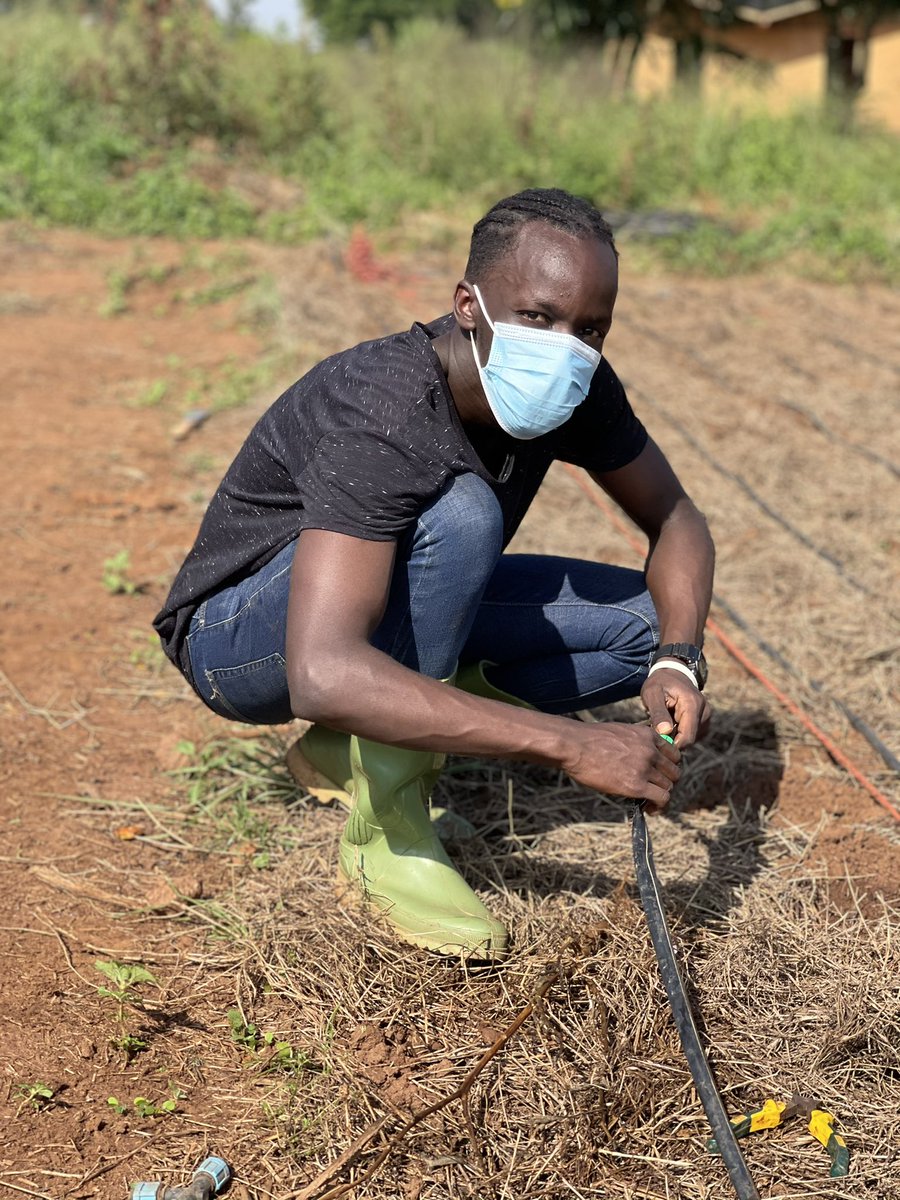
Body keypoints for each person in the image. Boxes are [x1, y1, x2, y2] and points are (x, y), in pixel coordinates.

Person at [154, 188, 714, 961]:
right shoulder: (384, 408)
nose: (566, 348)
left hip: (361, 608)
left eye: (590, 328)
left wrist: (679, 660)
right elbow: (320, 669)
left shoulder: (580, 390)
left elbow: (676, 515)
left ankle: (351, 737)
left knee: (645, 625)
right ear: (468, 305)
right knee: (461, 514)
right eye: (539, 317)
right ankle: (389, 832)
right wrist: (571, 746)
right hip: (239, 637)